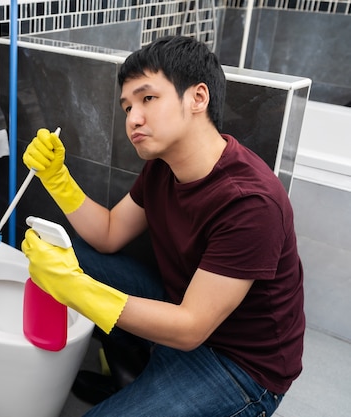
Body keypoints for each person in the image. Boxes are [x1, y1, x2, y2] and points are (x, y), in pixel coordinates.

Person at [20, 35, 304, 417]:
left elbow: (190, 328)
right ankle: (135, 373)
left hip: (239, 366)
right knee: (75, 255)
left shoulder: (250, 202)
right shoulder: (162, 167)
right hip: (181, 308)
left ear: (197, 98)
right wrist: (57, 178)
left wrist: (75, 288)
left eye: (148, 98)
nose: (133, 118)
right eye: (127, 106)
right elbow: (107, 234)